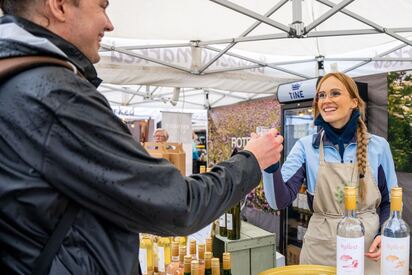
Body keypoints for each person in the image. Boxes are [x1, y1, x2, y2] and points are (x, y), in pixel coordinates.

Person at [0, 1, 284, 274]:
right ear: (59, 5)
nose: (109, 24)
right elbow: (179, 206)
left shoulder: (18, 81)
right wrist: (251, 159)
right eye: (102, 6)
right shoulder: (56, 95)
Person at [263, 72, 397, 274]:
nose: (326, 101)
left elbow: (390, 201)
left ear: (353, 102)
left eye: (335, 93)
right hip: (320, 249)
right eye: (321, 95)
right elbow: (278, 201)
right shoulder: (305, 147)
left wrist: (385, 235)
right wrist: (271, 165)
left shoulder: (378, 147)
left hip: (367, 251)